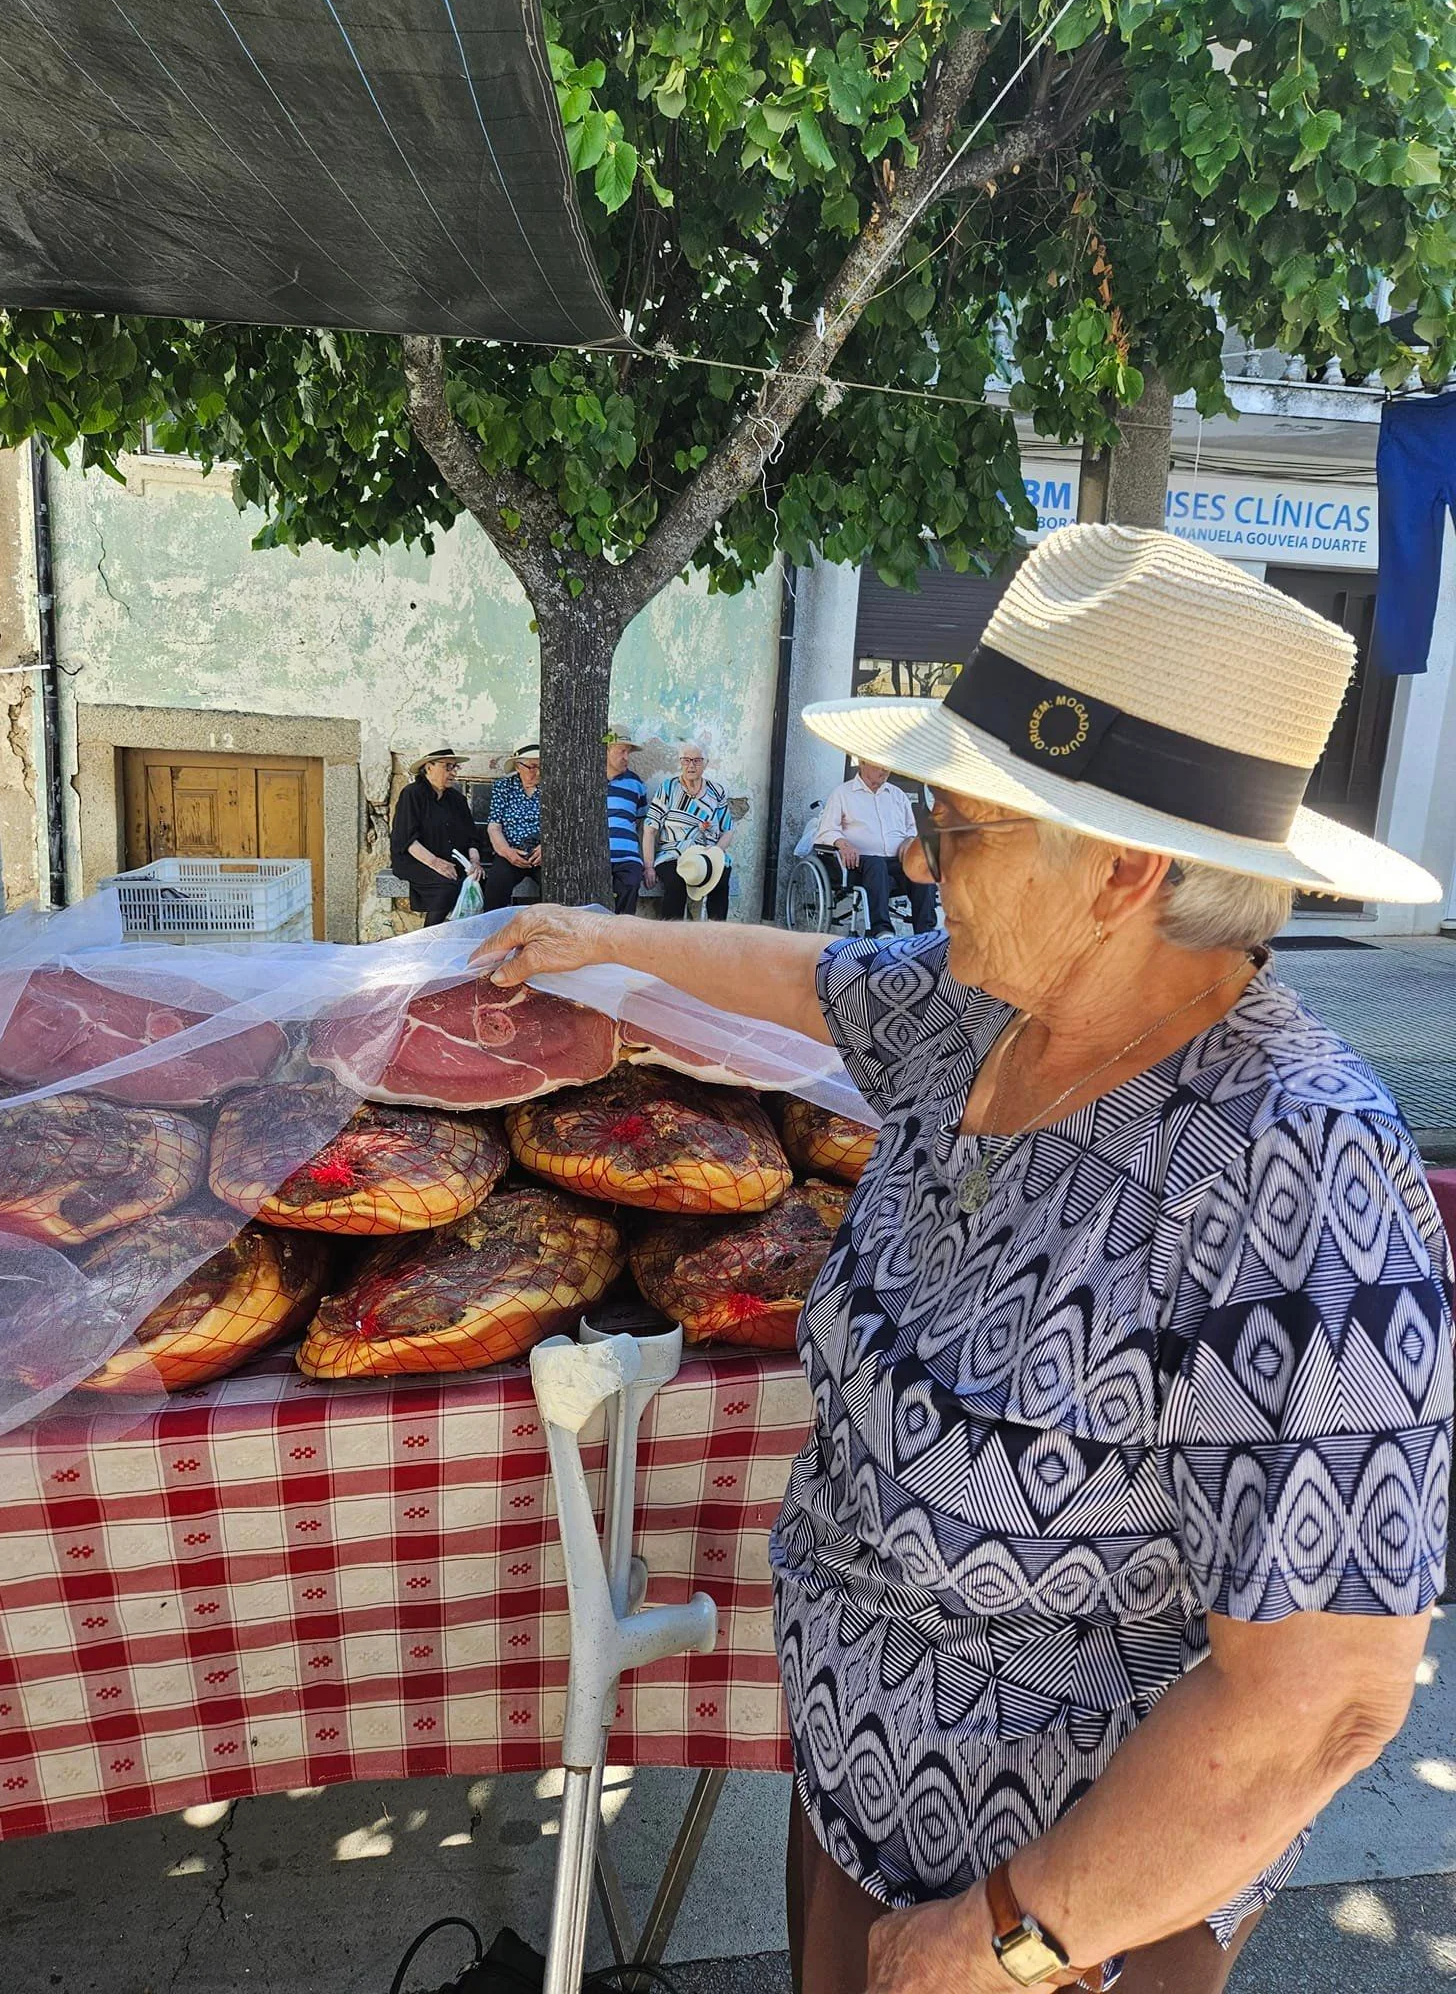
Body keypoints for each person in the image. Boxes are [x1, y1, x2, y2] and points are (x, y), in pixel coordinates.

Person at [472, 526, 1452, 1994]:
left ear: (1124, 869)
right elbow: (807, 980)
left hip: (1066, 1926)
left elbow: (1326, 1698)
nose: (920, 856)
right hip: (861, 1812)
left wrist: (1017, 1927)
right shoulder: (990, 1013)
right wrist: (586, 936)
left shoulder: (1289, 1167)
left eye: (960, 825)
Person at [815, 757, 938, 936]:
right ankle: (881, 931)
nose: (885, 770)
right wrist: (842, 844)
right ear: (863, 763)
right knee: (876, 864)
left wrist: (908, 842)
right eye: (880, 765)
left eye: (888, 766)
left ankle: (926, 933)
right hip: (859, 863)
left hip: (896, 861)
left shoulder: (897, 795)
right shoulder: (843, 793)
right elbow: (826, 831)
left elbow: (910, 830)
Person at [387, 747, 481, 926]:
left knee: (480, 880)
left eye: (455, 767)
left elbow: (472, 837)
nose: (453, 772)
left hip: (452, 860)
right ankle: (429, 937)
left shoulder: (456, 800)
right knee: (446, 887)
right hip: (417, 860)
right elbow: (407, 839)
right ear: (429, 767)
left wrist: (475, 863)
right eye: (448, 767)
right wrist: (435, 863)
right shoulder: (412, 794)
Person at [644, 742, 735, 921]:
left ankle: (716, 934)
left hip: (706, 855)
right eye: (686, 760)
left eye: (697, 760)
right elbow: (650, 829)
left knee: (721, 876)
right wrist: (648, 867)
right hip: (672, 853)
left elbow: (728, 830)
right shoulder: (669, 788)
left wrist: (715, 853)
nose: (691, 765)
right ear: (680, 762)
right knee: (676, 883)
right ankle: (671, 937)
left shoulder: (717, 791)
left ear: (706, 763)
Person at [483, 743, 543, 909]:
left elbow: (560, 825)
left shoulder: (552, 787)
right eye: (531, 767)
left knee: (557, 885)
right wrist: (507, 852)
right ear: (518, 766)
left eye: (541, 766)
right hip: (511, 851)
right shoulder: (504, 787)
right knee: (496, 885)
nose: (537, 772)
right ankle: (496, 932)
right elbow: (494, 826)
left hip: (542, 852)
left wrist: (548, 847)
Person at [606, 730, 649, 915]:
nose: (626, 758)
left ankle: (622, 940)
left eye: (628, 753)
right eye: (621, 751)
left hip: (627, 858)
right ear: (605, 751)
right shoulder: (586, 780)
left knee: (631, 883)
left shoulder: (636, 783)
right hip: (596, 856)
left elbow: (641, 822)